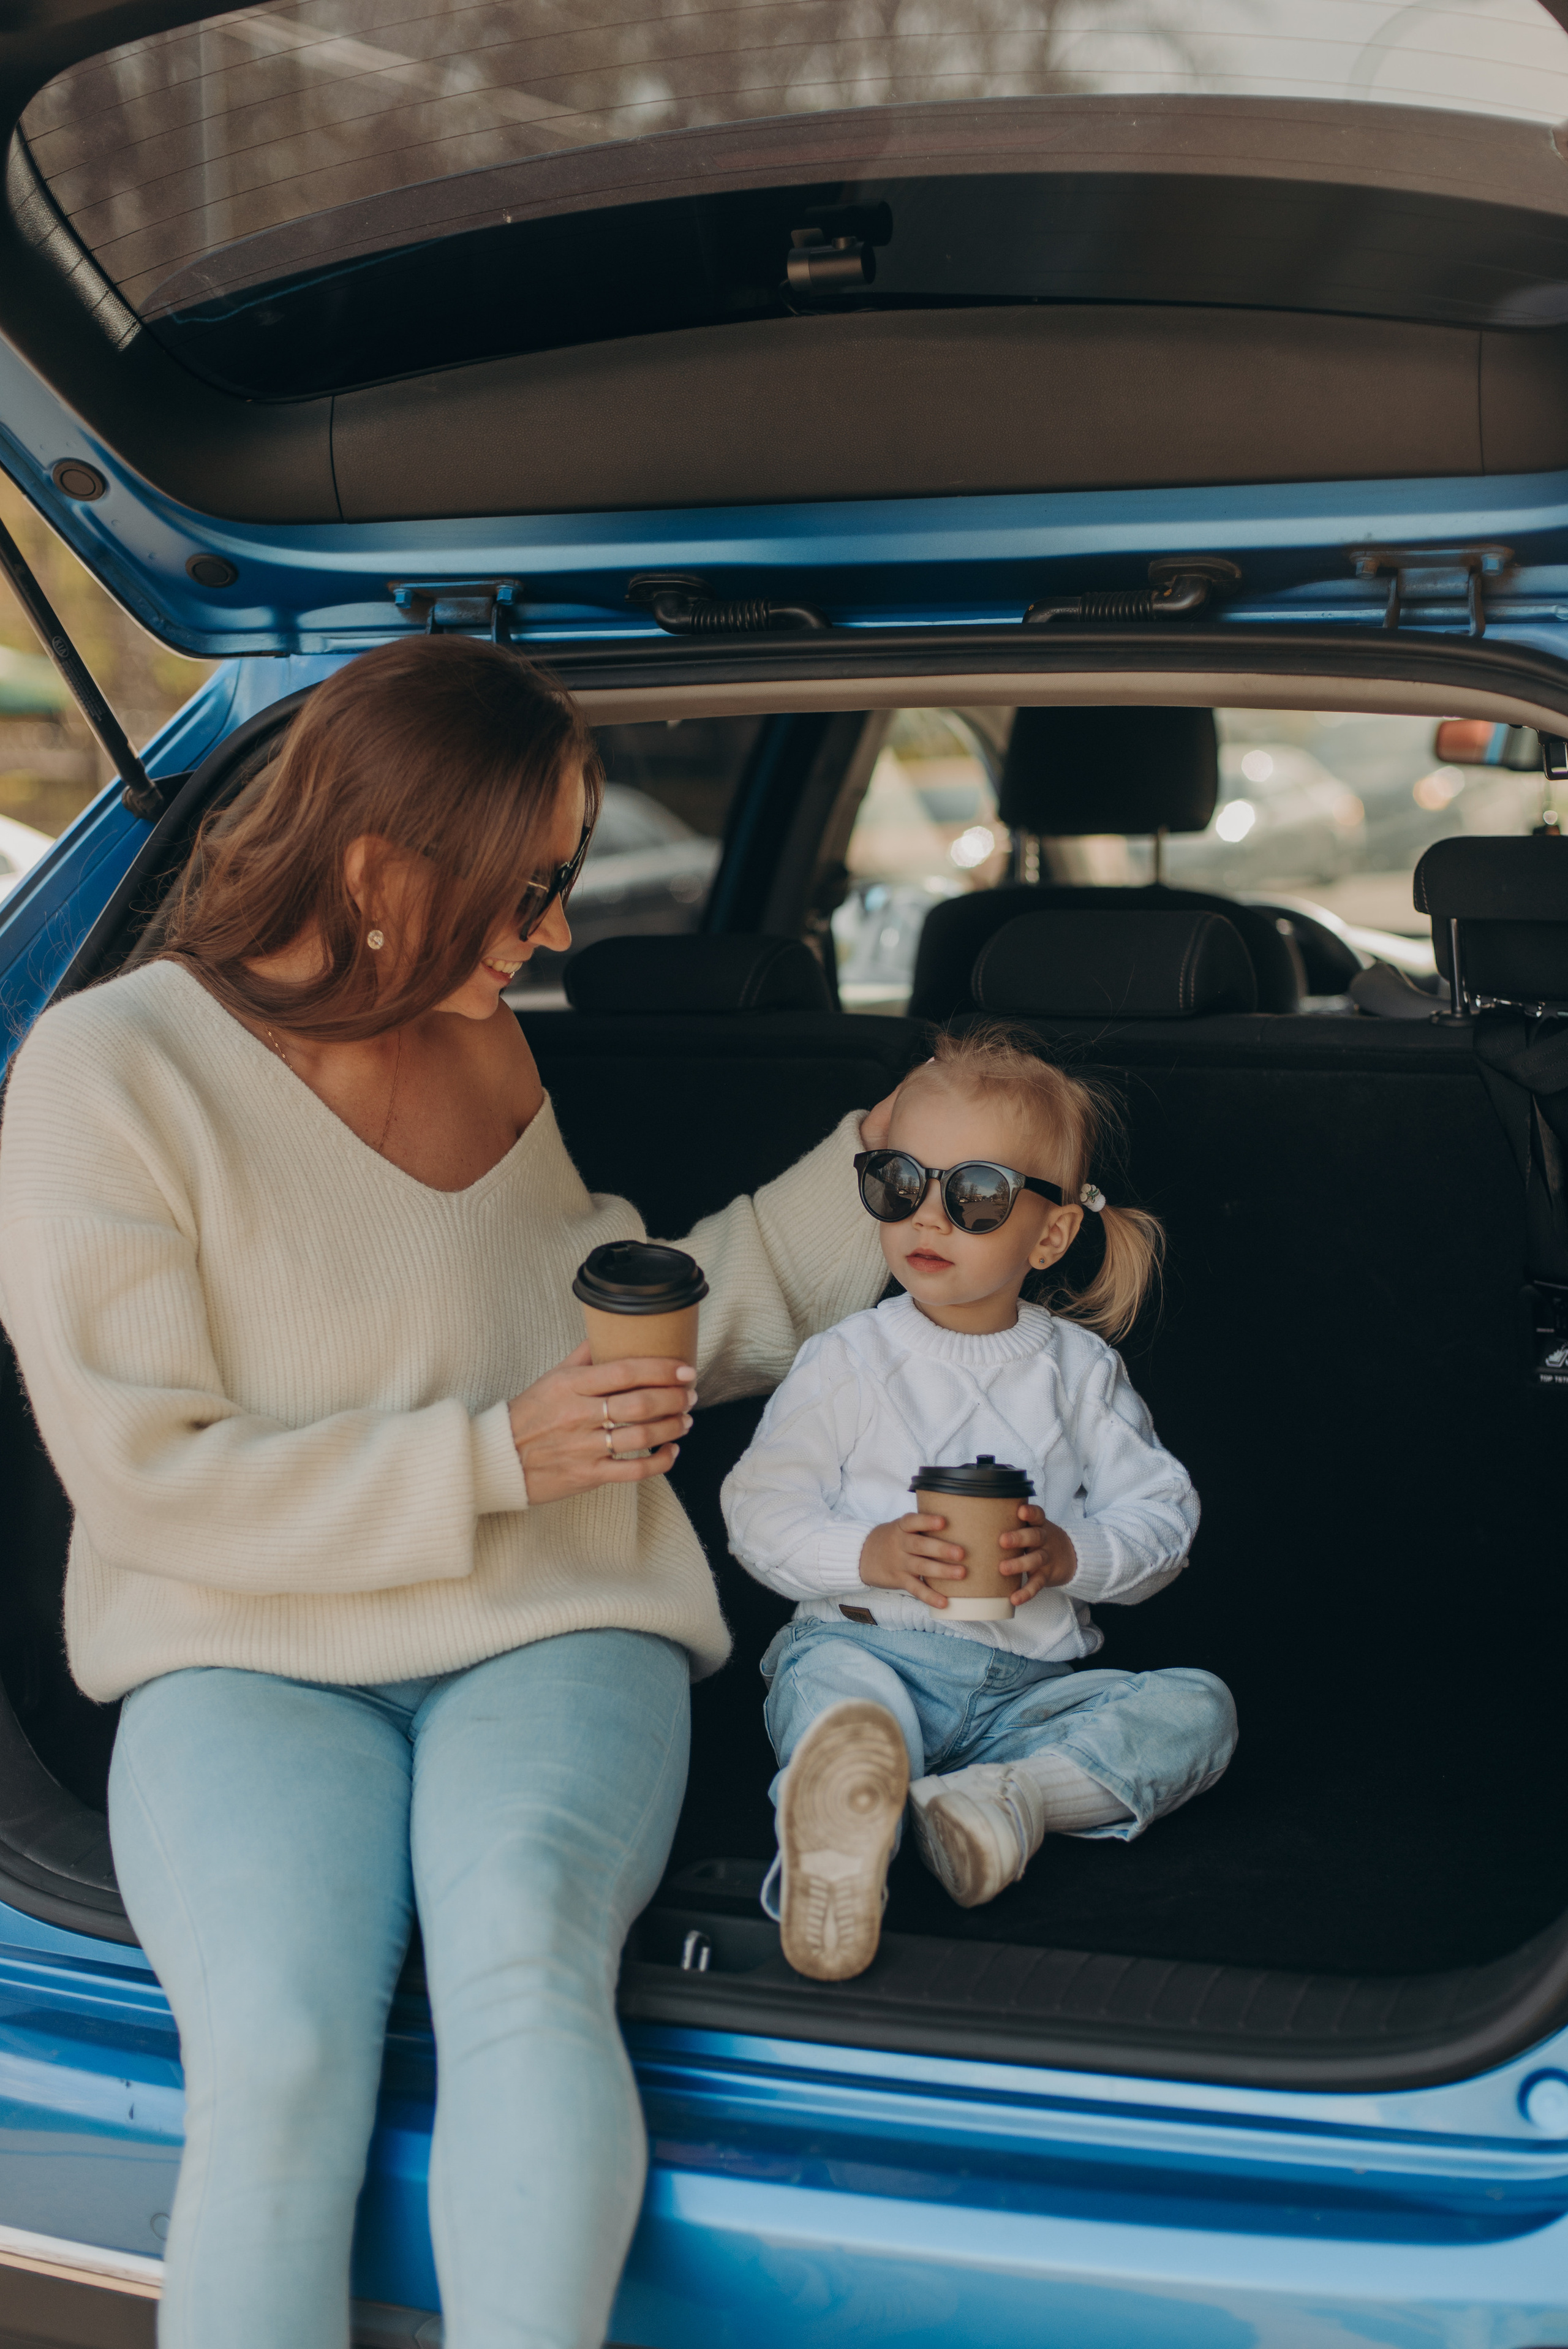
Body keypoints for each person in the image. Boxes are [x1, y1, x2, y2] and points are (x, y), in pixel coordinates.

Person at [0, 636, 900, 2349]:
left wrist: (883, 1168)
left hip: (555, 1616)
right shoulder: (107, 1069)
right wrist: (489, 1458)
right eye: (526, 886)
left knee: (525, 1957)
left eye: (564, 878)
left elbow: (617, 1357)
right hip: (240, 1646)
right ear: (374, 868)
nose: (552, 934)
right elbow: (144, 1476)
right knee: (275, 2051)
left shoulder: (485, 1049)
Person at [720, 1024, 1237, 1983]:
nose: (929, 1217)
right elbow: (757, 1509)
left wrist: (1071, 1555)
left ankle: (1006, 1800)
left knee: (1199, 1710)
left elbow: (1164, 1520)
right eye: (899, 1183)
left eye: (977, 1195)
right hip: (868, 1651)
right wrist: (869, 1555)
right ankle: (841, 1845)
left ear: (1051, 1233)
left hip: (1026, 1696)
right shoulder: (848, 1357)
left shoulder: (1080, 1370)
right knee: (842, 1715)